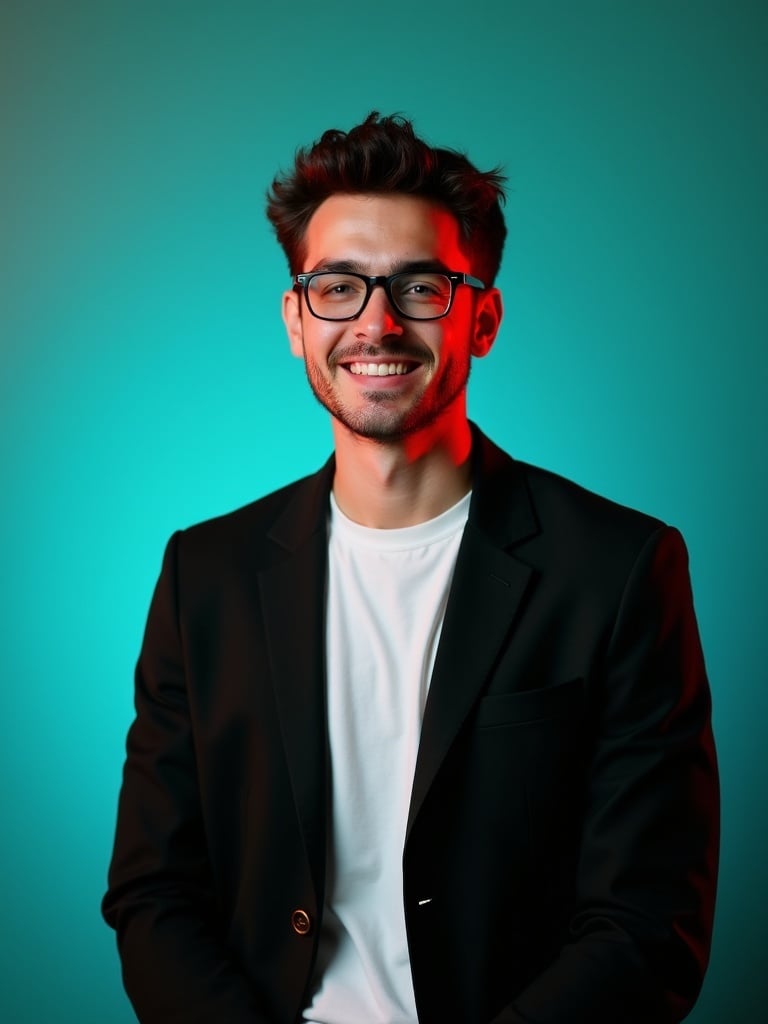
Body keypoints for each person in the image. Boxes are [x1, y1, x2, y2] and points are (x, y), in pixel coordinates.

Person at [102, 112, 719, 1024]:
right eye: (338, 287)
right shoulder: (206, 575)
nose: (377, 324)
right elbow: (154, 895)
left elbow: (647, 925)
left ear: (483, 319)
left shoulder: (621, 569)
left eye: (420, 287)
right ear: (295, 321)